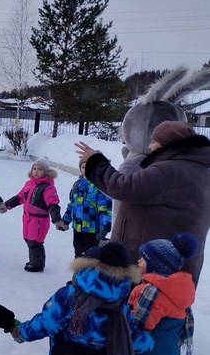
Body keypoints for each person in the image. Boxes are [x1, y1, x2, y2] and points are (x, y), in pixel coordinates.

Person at [75, 120, 210, 287]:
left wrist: (95, 162)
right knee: (168, 310)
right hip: (178, 265)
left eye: (153, 141)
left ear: (167, 143)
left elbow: (122, 186)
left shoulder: (168, 170)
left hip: (152, 265)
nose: (150, 147)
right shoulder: (200, 170)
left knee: (142, 310)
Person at [11, 242, 154, 355]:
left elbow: (47, 322)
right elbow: (130, 335)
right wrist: (148, 342)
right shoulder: (119, 305)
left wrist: (22, 332)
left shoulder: (69, 296)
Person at [119, 233, 197, 355]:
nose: (139, 261)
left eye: (143, 259)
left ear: (156, 265)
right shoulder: (180, 289)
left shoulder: (151, 292)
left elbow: (140, 325)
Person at [3, 157, 69, 272]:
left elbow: (53, 204)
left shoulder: (48, 187)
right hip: (27, 218)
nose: (36, 171)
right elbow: (19, 198)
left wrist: (57, 220)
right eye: (34, 168)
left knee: (35, 241)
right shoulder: (29, 184)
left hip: (39, 220)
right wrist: (6, 205)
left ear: (46, 172)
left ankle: (37, 264)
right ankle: (32, 261)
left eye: (40, 169)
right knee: (28, 239)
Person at [62, 158, 113, 257]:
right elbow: (73, 204)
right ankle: (79, 271)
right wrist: (66, 219)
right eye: (84, 167)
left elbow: (105, 208)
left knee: (91, 255)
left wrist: (105, 226)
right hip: (78, 227)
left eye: (90, 167)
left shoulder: (99, 186)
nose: (86, 169)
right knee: (78, 252)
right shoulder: (78, 184)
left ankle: (90, 271)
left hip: (93, 229)